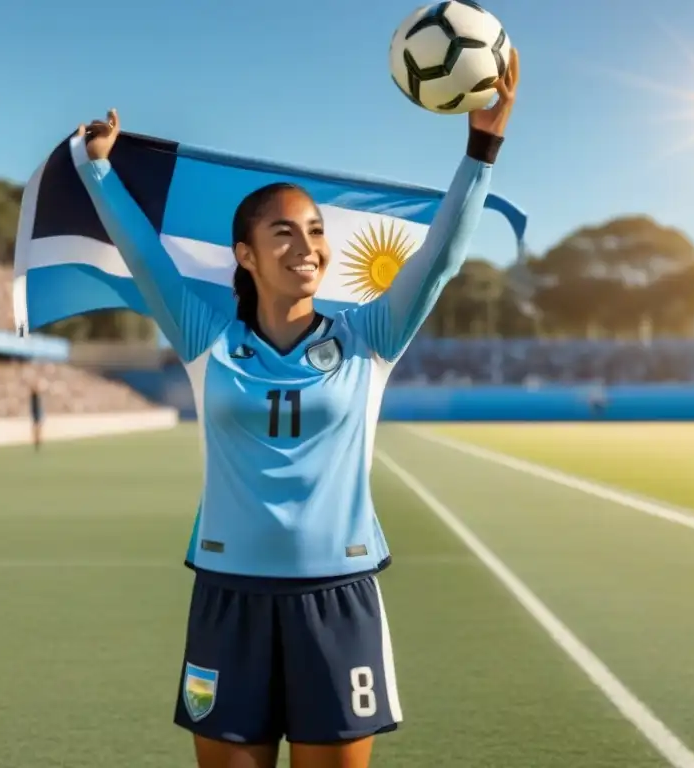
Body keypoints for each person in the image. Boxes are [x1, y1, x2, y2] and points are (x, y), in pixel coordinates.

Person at [77, 49, 518, 768]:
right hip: (230, 599)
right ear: (244, 256)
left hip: (337, 600)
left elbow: (437, 260)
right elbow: (144, 256)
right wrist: (98, 169)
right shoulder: (205, 338)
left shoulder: (370, 338)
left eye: (315, 230)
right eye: (283, 231)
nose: (307, 245)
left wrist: (482, 150)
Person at [30, 384, 43, 451]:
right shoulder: (34, 397)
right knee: (36, 428)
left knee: (37, 428)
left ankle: (37, 440)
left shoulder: (36, 397)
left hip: (36, 414)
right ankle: (37, 440)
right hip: (36, 414)